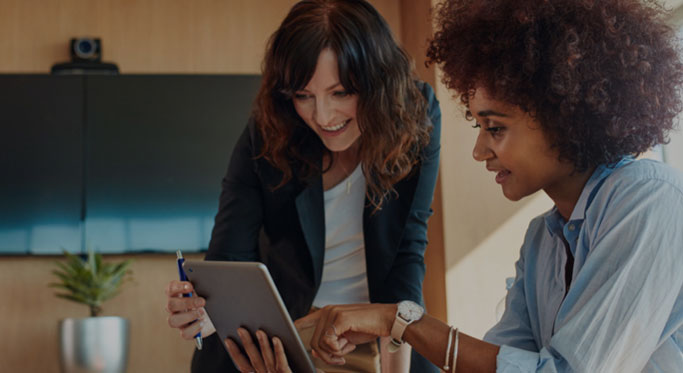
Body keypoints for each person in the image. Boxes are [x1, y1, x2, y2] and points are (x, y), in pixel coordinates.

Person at [225, 0, 683, 371]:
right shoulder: (541, 241)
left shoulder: (649, 201)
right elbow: (503, 363)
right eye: (304, 96)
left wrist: (395, 319)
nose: (478, 151)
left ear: (564, 118)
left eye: (495, 128)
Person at [164, 0, 442, 372]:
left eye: (341, 92)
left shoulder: (415, 114)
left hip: (376, 332)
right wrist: (205, 308)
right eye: (303, 95)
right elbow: (229, 258)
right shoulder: (269, 130)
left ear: (378, 83)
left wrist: (398, 363)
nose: (323, 117)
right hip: (280, 339)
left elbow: (407, 250)